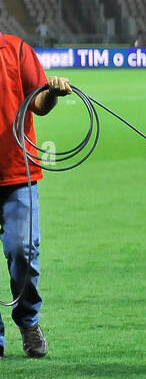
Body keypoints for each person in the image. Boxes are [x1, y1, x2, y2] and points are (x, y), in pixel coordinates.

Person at [0, 31, 71, 358]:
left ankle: (28, 321)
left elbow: (39, 103)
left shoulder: (15, 49)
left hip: (17, 173)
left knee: (23, 251)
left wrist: (52, 93)